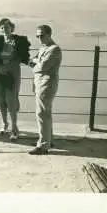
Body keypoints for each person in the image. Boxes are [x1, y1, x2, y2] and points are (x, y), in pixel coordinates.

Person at [0, 18, 31, 141]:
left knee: (11, 99)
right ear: (0, 29)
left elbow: (23, 57)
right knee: (1, 99)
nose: (4, 29)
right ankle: (5, 123)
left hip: (12, 74)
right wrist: (0, 67)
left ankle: (15, 127)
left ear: (12, 27)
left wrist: (9, 67)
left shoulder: (19, 41)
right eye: (2, 27)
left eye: (7, 27)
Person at [28, 25, 63, 155]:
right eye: (37, 36)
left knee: (42, 114)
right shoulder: (44, 47)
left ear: (49, 34)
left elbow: (41, 67)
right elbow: (35, 60)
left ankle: (43, 145)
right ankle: (48, 140)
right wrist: (35, 62)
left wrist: (33, 63)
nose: (39, 38)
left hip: (46, 85)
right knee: (45, 113)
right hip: (40, 84)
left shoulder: (54, 50)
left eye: (42, 35)